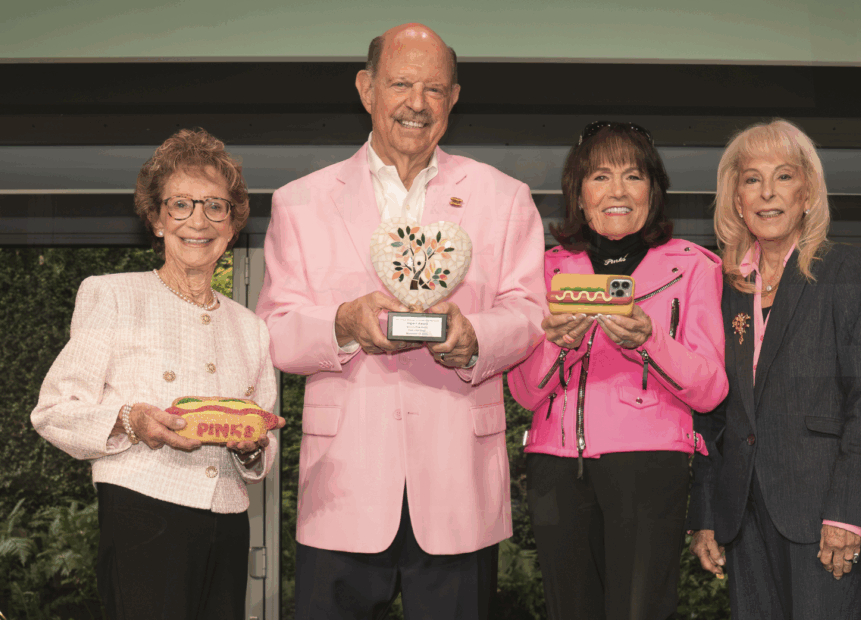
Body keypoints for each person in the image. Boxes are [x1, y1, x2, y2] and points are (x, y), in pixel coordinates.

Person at [255, 23, 546, 620]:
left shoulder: (504, 197)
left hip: (459, 489)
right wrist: (343, 322)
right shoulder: (300, 201)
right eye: (401, 84)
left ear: (454, 99)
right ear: (366, 89)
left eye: (434, 89)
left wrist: (474, 338)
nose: (417, 103)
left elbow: (530, 313)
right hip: (342, 487)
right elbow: (277, 329)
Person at [31, 128, 282, 620]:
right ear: (157, 218)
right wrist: (131, 420)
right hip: (143, 516)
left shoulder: (252, 329)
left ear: (232, 225)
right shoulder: (112, 295)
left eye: (216, 206)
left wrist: (254, 446)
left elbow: (264, 439)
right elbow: (54, 411)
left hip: (229, 524)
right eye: (181, 204)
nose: (199, 220)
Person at [507, 121, 728, 620]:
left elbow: (712, 388)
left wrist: (651, 341)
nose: (617, 191)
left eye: (633, 176)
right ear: (579, 195)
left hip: (650, 465)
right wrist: (558, 346)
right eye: (600, 176)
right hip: (555, 466)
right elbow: (522, 392)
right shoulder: (544, 270)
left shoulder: (694, 266)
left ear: (653, 189)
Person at [688, 119, 861, 619]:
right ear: (736, 198)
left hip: (823, 511)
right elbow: (711, 411)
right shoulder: (724, 284)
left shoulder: (845, 269)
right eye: (752, 179)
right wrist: (707, 514)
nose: (767, 193)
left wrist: (846, 510)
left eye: (784, 176)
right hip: (743, 512)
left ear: (808, 192)